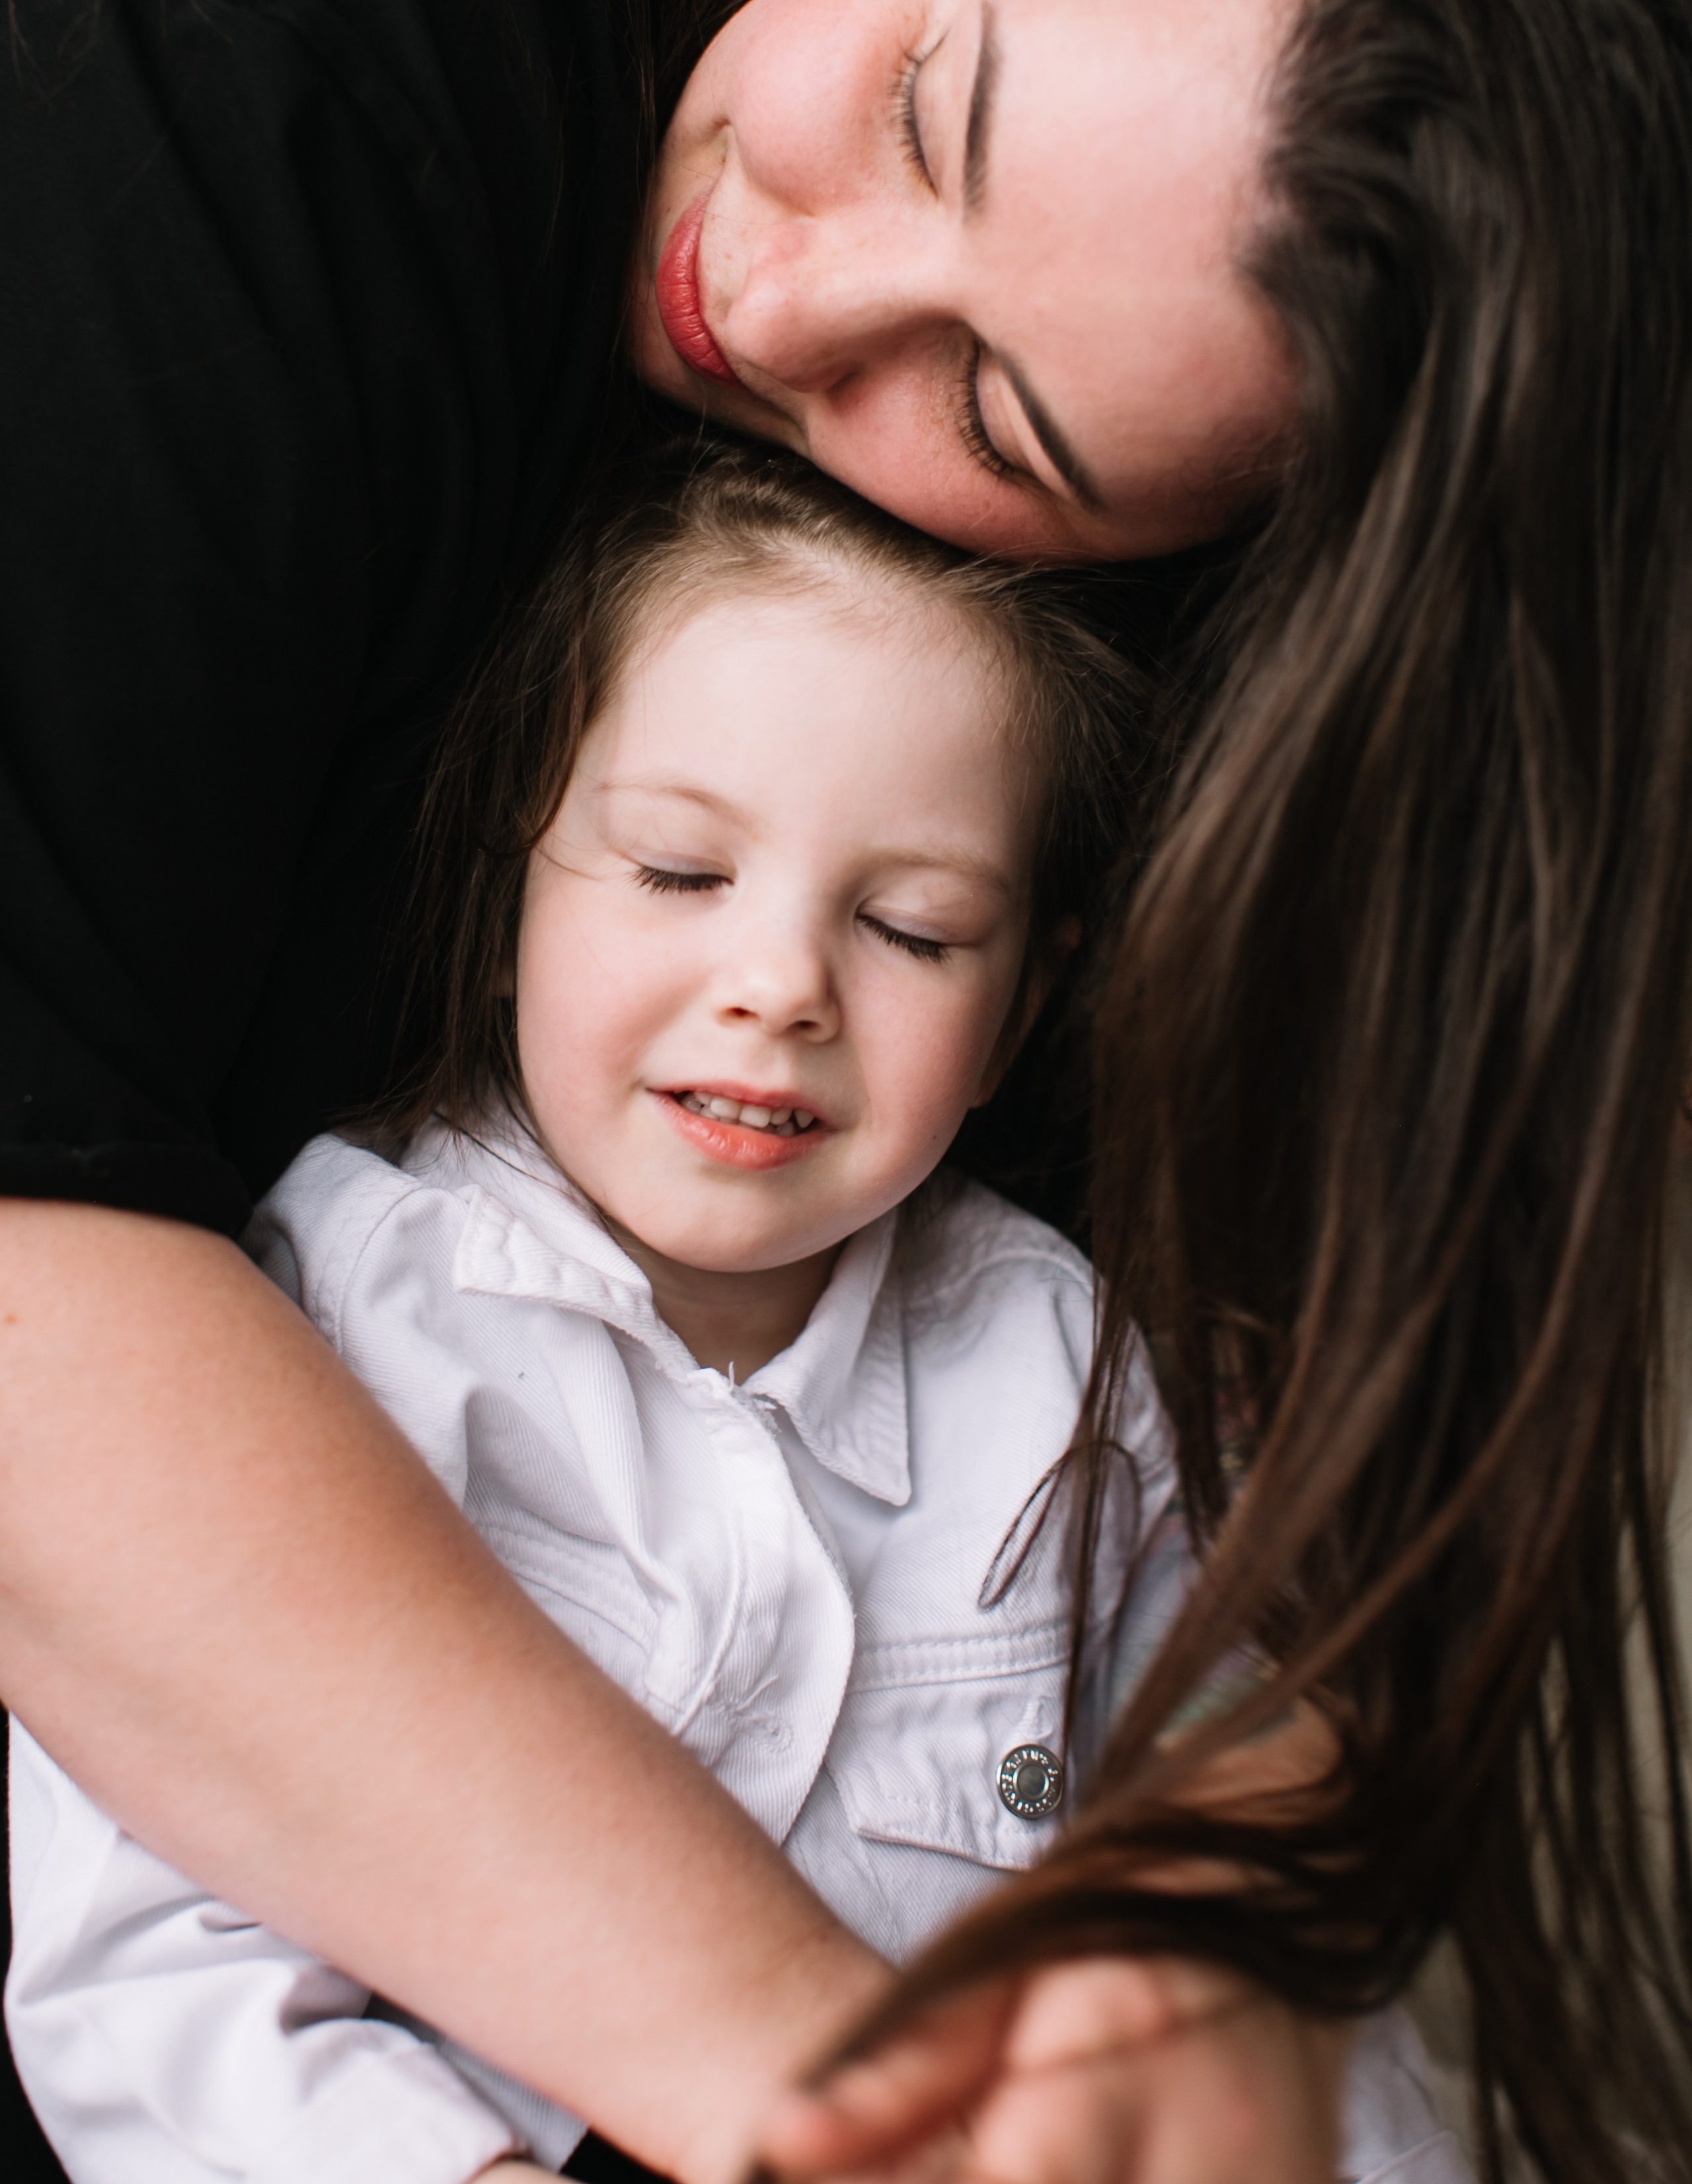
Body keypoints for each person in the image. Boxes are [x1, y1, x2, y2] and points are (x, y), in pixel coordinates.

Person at [0, 0, 1685, 2177]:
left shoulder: (1109, 816)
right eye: (923, 101)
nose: (779, 300)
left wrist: (1181, 1948)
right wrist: (871, 2111)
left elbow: (1278, 1532)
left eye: (996, 424)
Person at [4, 451, 1465, 2183]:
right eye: (683, 876)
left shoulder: (1069, 1372)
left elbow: (1247, 1857)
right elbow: (147, 1961)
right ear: (509, 889)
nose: (780, 987)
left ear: (1019, 1012)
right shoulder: (314, 1326)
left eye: (911, 930)